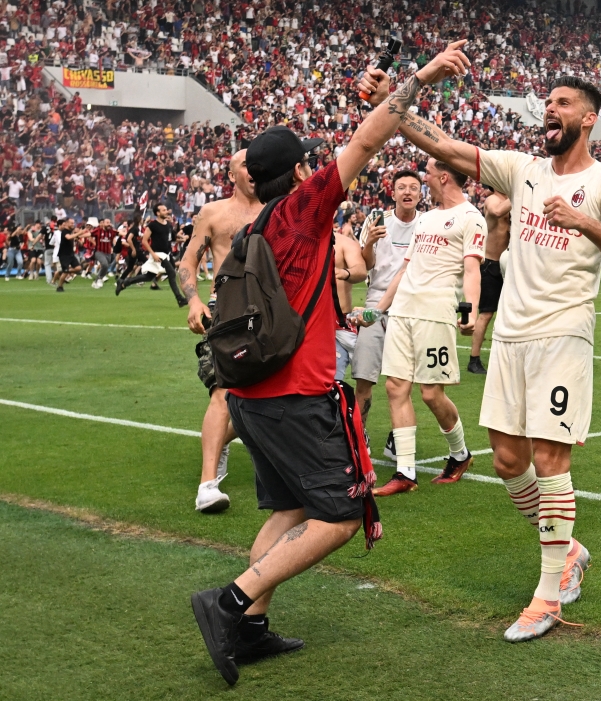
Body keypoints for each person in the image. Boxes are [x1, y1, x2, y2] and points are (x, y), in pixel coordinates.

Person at [190, 42, 471, 687]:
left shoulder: (257, 225)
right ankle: (229, 602)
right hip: (296, 394)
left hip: (252, 397)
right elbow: (369, 140)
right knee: (342, 515)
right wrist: (422, 75)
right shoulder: (301, 212)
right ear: (295, 173)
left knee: (288, 511)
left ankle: (251, 629)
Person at [360, 69, 601, 641]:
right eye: (547, 104)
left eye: (563, 103)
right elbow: (438, 143)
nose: (549, 110)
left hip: (564, 334)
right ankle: (570, 550)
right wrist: (396, 98)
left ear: (589, 118)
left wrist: (580, 219)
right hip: (510, 336)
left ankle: (547, 595)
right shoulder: (522, 169)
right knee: (510, 462)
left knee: (550, 459)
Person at [365, 157, 484, 496]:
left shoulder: (470, 218)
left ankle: (459, 454)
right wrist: (378, 310)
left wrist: (470, 311)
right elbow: (404, 270)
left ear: (443, 177)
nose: (423, 176)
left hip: (435, 311)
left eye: (428, 171)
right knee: (395, 388)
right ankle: (405, 472)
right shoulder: (427, 218)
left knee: (431, 393)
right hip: (403, 310)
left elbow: (472, 270)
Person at [177, 150, 263, 514]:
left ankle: (227, 439)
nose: (253, 168)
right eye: (245, 163)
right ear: (231, 174)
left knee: (266, 399)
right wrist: (194, 300)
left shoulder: (278, 207)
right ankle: (207, 485)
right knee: (224, 392)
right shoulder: (213, 212)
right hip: (224, 308)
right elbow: (188, 261)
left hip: (268, 311)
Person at [353, 170, 422, 427]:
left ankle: (397, 439)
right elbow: (366, 264)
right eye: (401, 187)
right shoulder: (376, 218)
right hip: (377, 299)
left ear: (420, 194)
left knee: (403, 382)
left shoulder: (426, 223)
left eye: (413, 188)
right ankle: (360, 440)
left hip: (410, 303)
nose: (407, 192)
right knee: (364, 378)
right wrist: (369, 242)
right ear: (392, 193)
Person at [468, 189, 510, 374]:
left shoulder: (512, 200)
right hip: (490, 263)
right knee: (486, 314)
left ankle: (504, 356)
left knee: (509, 313)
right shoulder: (494, 200)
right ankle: (474, 359)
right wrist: (520, 191)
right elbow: (496, 212)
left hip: (509, 263)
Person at [117, 203, 188, 306]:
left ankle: (124, 283)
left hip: (166, 254)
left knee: (149, 276)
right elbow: (144, 241)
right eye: (163, 210)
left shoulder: (168, 225)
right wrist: (153, 254)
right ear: (157, 213)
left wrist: (183, 238)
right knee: (172, 273)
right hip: (157, 254)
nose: (166, 211)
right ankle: (180, 298)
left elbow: (172, 238)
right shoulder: (152, 225)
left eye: (166, 209)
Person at [333, 229, 367, 381]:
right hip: (306, 324)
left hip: (338, 324)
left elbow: (361, 270)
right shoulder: (298, 241)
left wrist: (343, 273)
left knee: (332, 383)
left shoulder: (345, 243)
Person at [50, 220, 83, 292]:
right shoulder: (64, 231)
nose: (73, 224)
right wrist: (79, 233)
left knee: (78, 268)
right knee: (65, 273)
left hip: (71, 254)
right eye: (71, 223)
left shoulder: (70, 231)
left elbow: (76, 239)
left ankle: (64, 270)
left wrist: (79, 235)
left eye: (73, 223)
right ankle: (60, 287)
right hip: (64, 255)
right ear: (67, 224)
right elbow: (68, 237)